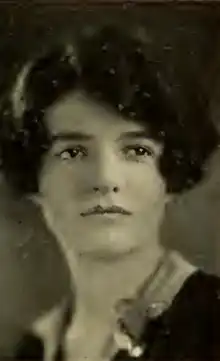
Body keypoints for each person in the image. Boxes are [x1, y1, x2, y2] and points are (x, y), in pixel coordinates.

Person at [0, 24, 220, 361]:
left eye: (136, 151)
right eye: (73, 152)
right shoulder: (32, 351)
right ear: (34, 177)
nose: (105, 179)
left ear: (171, 173)